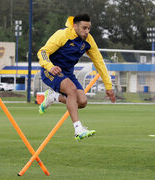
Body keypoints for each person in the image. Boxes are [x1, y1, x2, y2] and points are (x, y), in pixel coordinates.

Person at [37, 13, 116, 141]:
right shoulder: (62, 35)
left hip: (68, 73)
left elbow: (99, 62)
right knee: (71, 90)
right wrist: (49, 66)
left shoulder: (88, 41)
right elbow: (43, 52)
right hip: (51, 70)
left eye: (89, 28)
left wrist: (108, 86)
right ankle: (78, 129)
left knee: (82, 102)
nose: (87, 32)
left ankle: (53, 97)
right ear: (75, 26)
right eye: (84, 28)